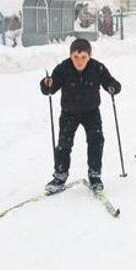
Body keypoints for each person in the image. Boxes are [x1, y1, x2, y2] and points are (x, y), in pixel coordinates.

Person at [40, 39, 121, 192]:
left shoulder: (97, 67)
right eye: (75, 57)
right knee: (64, 144)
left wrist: (113, 86)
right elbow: (51, 87)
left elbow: (108, 81)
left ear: (89, 56)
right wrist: (46, 84)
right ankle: (60, 176)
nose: (79, 61)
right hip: (69, 113)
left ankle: (94, 175)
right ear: (70, 56)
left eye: (83, 57)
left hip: (91, 112)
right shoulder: (63, 68)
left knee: (96, 140)